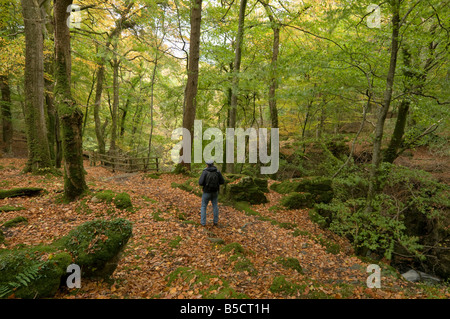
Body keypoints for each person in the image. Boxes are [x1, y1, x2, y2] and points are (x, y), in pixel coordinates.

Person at [198, 159, 225, 226]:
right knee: (215, 206)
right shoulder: (217, 171)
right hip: (215, 192)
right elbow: (222, 182)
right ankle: (215, 222)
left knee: (203, 206)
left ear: (207, 164)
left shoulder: (205, 172)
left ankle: (203, 223)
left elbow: (200, 183)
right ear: (213, 164)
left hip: (206, 192)